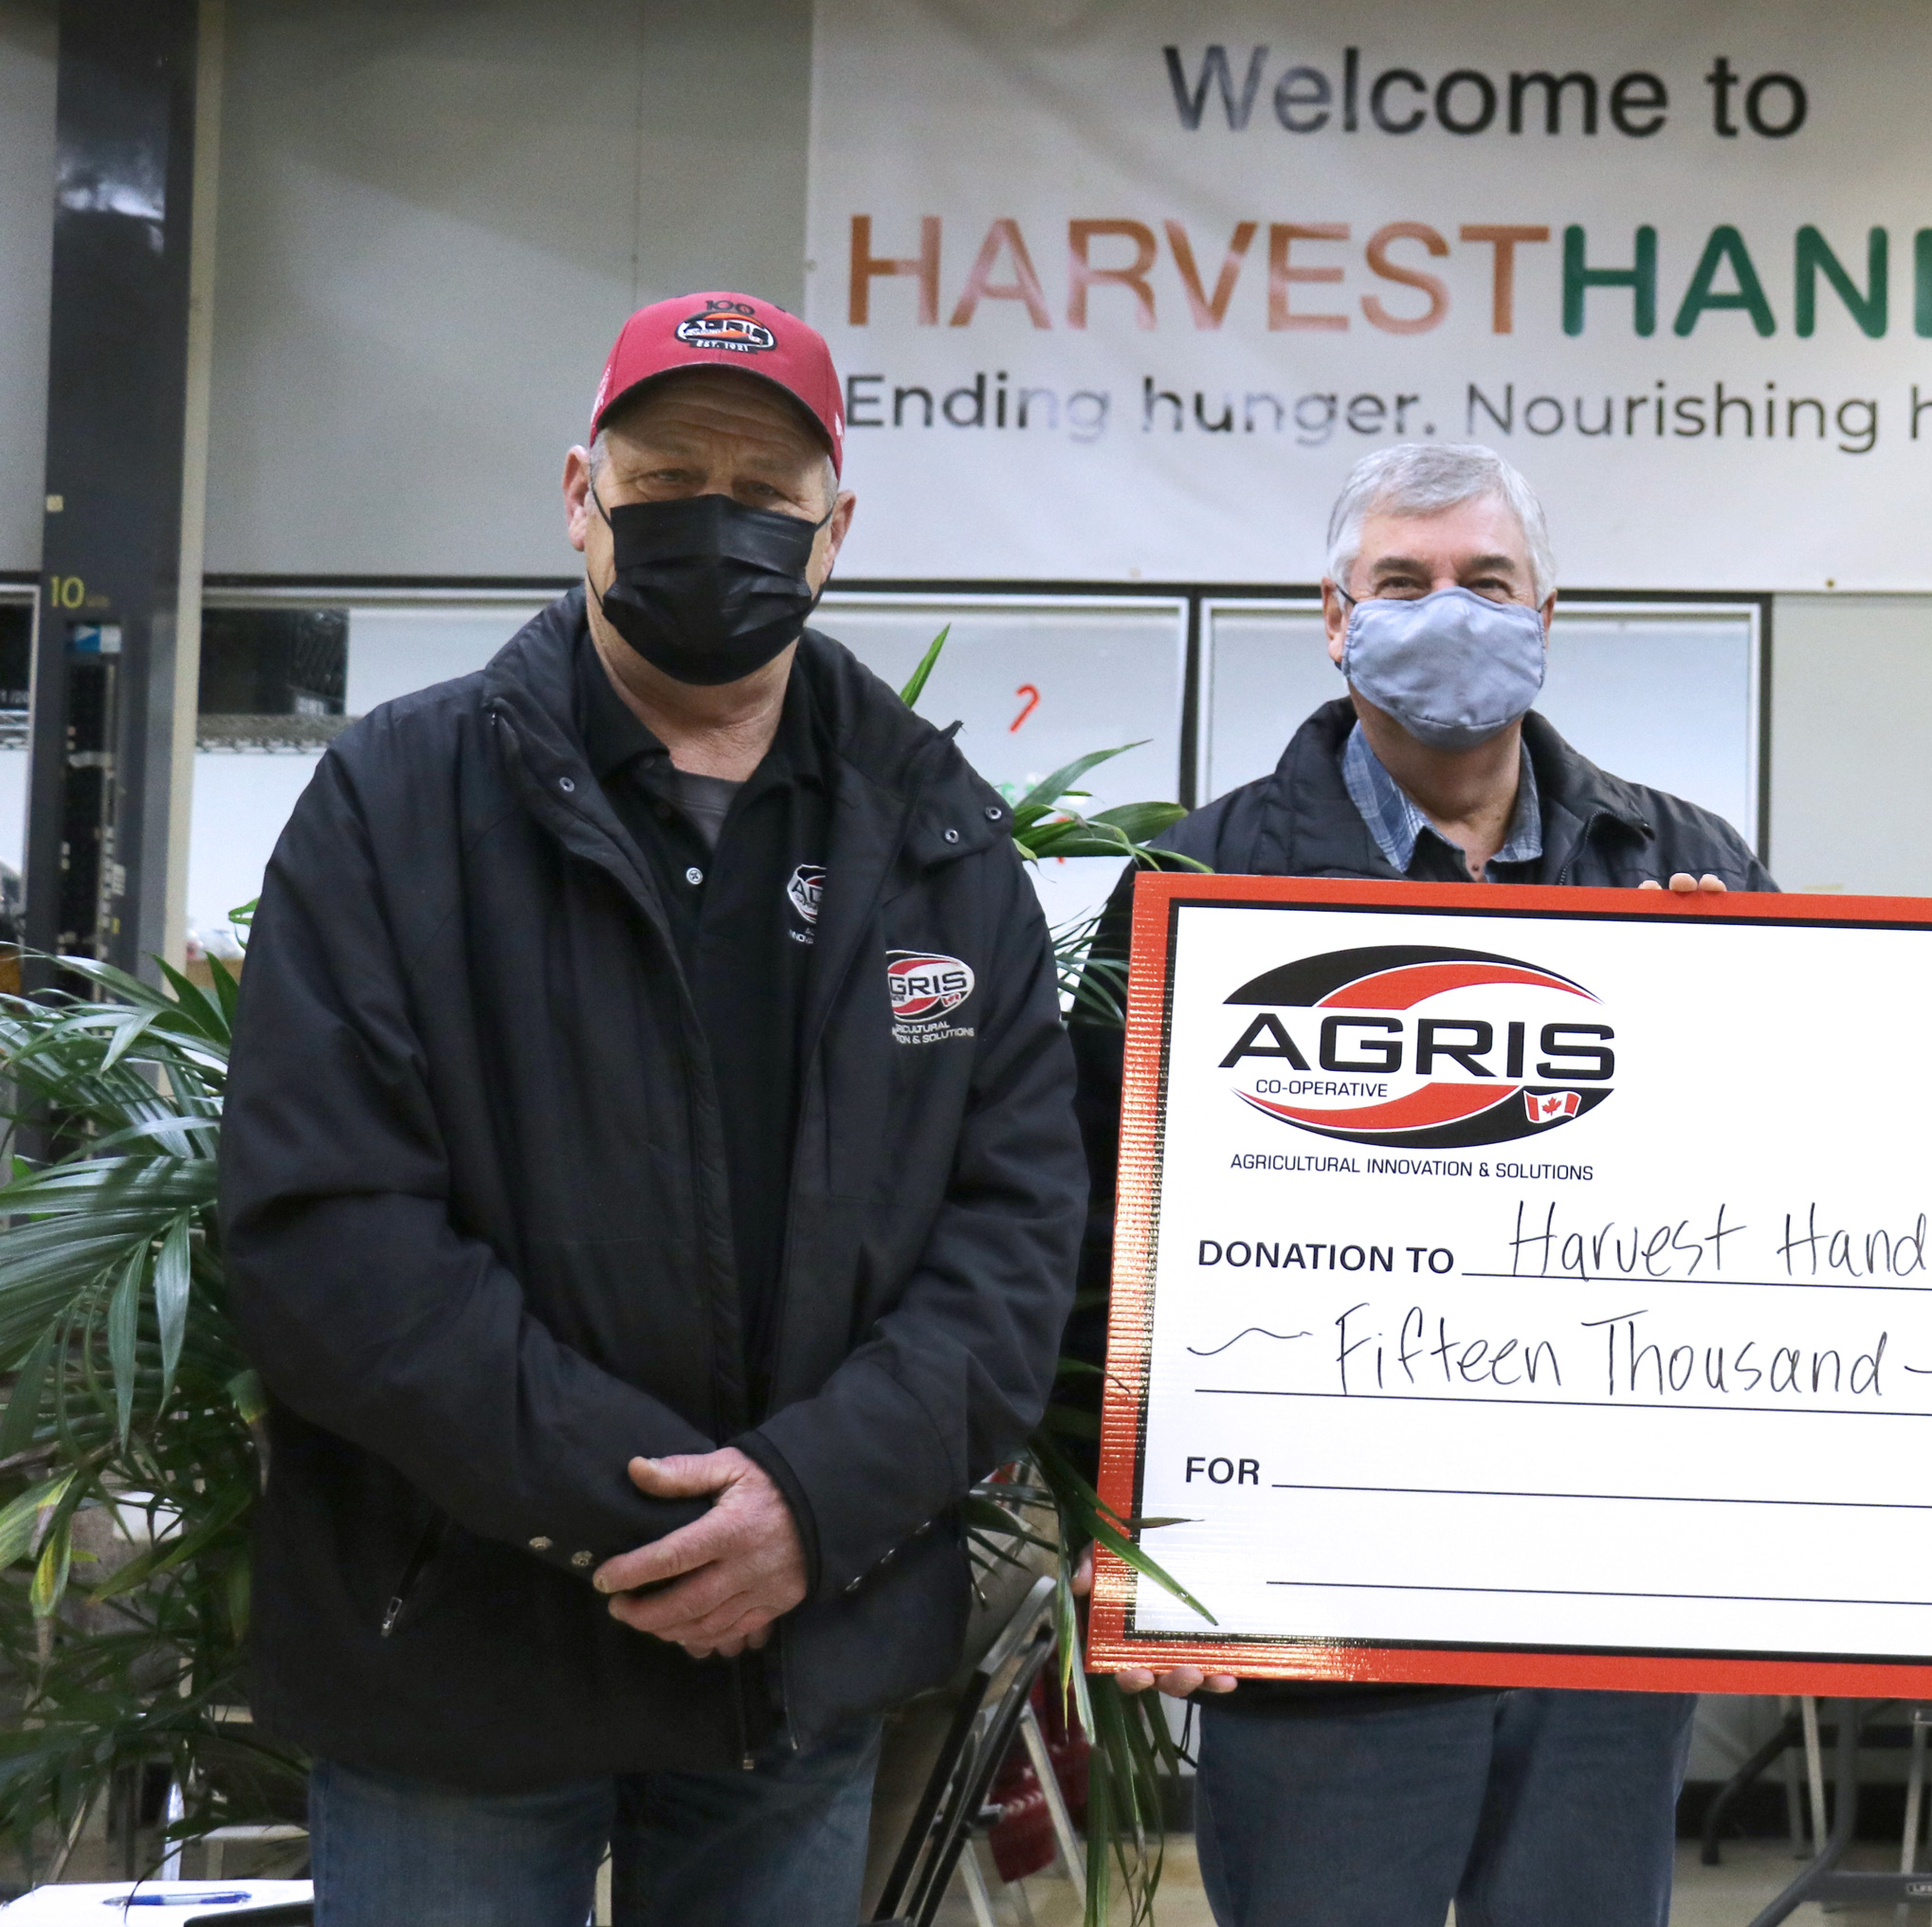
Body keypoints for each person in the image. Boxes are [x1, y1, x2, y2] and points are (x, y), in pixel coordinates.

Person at [219, 293, 1088, 1924]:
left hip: (794, 1669)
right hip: (460, 1656)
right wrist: (675, 1521)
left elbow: (1013, 1235)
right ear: (579, 494)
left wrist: (809, 1506)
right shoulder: (395, 805)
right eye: (669, 470)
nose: (718, 519)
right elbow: (324, 1239)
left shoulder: (940, 837)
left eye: (765, 492)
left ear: (836, 532)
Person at [1072, 440, 1773, 1927]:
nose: (1446, 611)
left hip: (1600, 1615)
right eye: (1404, 581)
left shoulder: (1685, 868)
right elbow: (1079, 1227)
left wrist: (1739, 1008)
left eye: (1484, 581)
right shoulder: (1193, 888)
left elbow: (1781, 1195)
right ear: (1336, 617)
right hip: (1318, 1614)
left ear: (1546, 612)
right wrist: (1139, 1537)